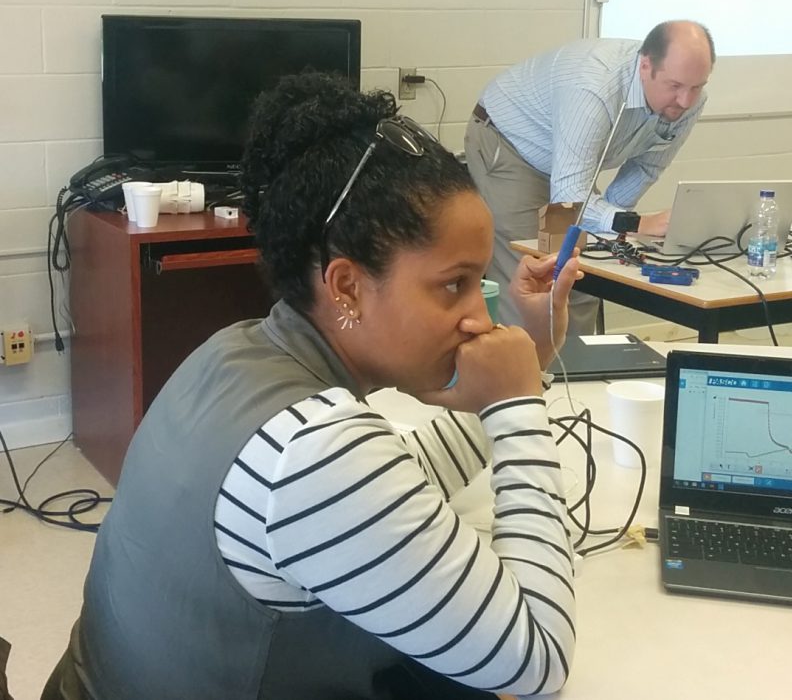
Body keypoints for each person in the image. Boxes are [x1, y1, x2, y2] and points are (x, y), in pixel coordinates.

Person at [44, 72, 582, 700]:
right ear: (347, 285)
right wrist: (519, 410)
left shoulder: (233, 350)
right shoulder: (315, 452)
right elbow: (535, 661)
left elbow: (386, 491)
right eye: (453, 283)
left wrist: (524, 369)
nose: (482, 319)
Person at [464, 20, 715, 333]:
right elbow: (569, 195)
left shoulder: (689, 100)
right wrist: (633, 223)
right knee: (530, 278)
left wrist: (612, 229)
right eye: (675, 86)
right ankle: (523, 377)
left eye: (697, 87)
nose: (686, 102)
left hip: (569, 166)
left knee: (578, 274)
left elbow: (647, 167)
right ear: (645, 65)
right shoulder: (594, 85)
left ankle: (576, 377)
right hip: (512, 146)